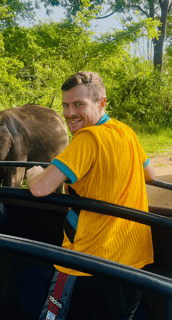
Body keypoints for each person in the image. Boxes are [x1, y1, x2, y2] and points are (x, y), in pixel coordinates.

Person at [26, 72, 155, 320]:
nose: (69, 112)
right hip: (133, 262)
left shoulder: (87, 138)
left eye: (78, 104)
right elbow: (149, 174)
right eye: (65, 104)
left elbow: (40, 188)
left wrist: (34, 174)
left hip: (87, 262)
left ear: (101, 103)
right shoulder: (125, 131)